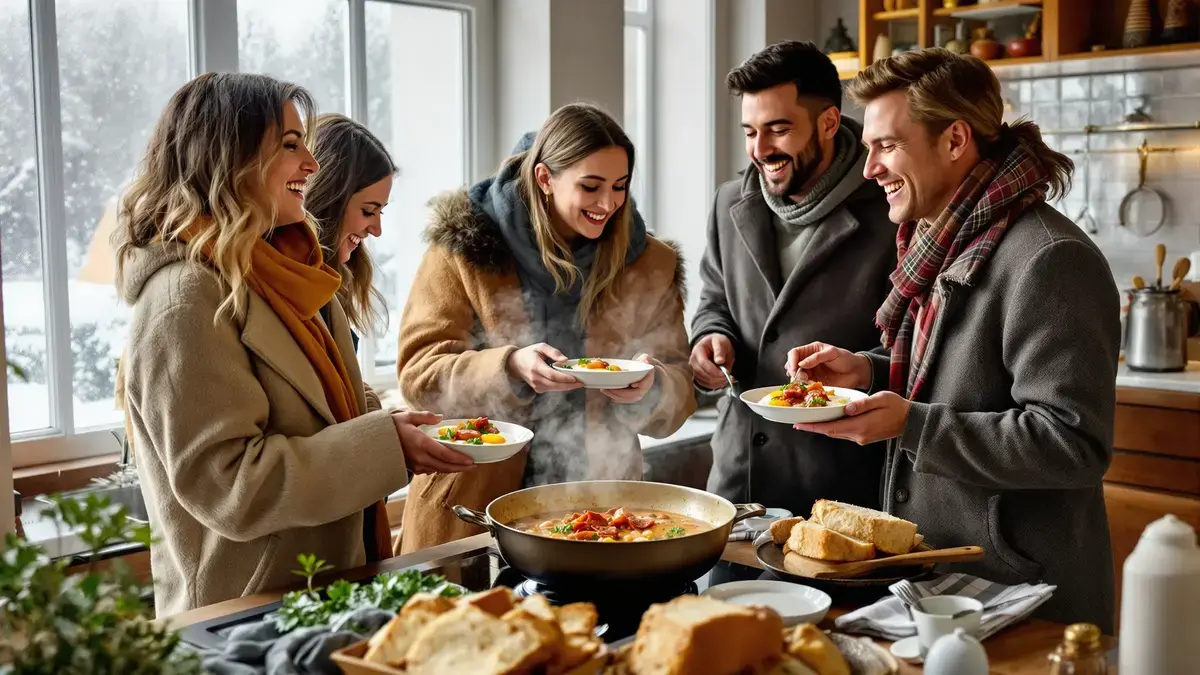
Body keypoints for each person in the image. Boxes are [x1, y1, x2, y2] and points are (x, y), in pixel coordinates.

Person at [114, 73, 473, 617]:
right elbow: (231, 485)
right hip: (243, 616)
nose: (312, 162)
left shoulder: (290, 273)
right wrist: (386, 446)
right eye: (290, 145)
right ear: (229, 158)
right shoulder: (183, 300)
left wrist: (399, 429)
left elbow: (328, 410)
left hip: (317, 594)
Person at [787, 49, 1119, 631]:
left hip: (1025, 599)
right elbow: (959, 374)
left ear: (956, 140)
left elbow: (1073, 444)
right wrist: (869, 372)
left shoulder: (1049, 258)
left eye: (886, 146)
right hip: (947, 587)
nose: (869, 170)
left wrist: (909, 423)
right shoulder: (951, 240)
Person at [397, 103, 696, 552]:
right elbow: (419, 375)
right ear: (544, 178)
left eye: (620, 186)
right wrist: (510, 367)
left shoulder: (649, 264)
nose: (608, 204)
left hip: (604, 514)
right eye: (590, 187)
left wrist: (650, 388)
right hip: (471, 513)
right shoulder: (467, 246)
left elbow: (681, 386)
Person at [691, 41, 897, 517]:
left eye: (778, 130)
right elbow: (715, 300)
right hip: (737, 481)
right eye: (750, 132)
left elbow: (916, 349)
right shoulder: (728, 203)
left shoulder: (892, 211)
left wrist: (864, 367)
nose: (759, 151)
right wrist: (710, 335)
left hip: (844, 486)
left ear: (827, 123)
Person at [305, 112, 394, 348]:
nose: (376, 230)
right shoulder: (294, 291)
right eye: (368, 211)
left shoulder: (333, 281)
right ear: (328, 200)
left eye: (380, 212)